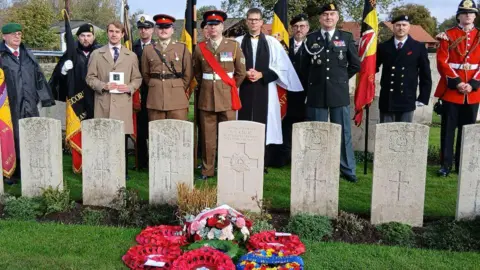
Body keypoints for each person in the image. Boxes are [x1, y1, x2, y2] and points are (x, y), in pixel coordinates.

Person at [235, 8, 303, 172]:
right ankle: (240, 159)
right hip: (242, 89)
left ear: (261, 22)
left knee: (263, 124)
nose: (253, 22)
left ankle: (261, 162)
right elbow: (230, 66)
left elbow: (282, 68)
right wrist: (244, 74)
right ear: (246, 21)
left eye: (256, 19)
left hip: (265, 89)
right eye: (250, 19)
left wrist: (261, 74)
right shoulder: (236, 42)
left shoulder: (272, 43)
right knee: (241, 123)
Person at [303, 3, 360, 182]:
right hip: (316, 93)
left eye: (332, 14)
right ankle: (317, 167)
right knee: (317, 132)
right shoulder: (310, 39)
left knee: (344, 133)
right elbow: (304, 67)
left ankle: (348, 169)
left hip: (338, 93)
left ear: (337, 17)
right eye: (325, 14)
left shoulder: (346, 37)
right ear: (319, 18)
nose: (328, 17)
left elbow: (355, 64)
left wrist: (340, 80)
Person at [193, 10, 246, 180]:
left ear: (222, 26)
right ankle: (207, 170)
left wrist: (229, 87)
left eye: (216, 25)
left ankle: (229, 169)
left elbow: (241, 72)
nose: (213, 28)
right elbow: (197, 74)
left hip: (227, 97)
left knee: (229, 135)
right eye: (210, 25)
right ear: (207, 28)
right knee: (208, 137)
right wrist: (207, 87)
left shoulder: (233, 46)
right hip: (206, 97)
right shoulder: (200, 47)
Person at [86, 21, 142, 179]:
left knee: (121, 139)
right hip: (104, 102)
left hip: (123, 103)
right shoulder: (97, 54)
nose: (114, 34)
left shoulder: (131, 56)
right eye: (111, 31)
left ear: (123, 34)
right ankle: (103, 169)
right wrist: (103, 85)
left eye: (117, 31)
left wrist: (130, 87)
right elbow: (90, 78)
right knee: (103, 139)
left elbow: (137, 78)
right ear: (107, 33)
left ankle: (122, 171)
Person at [0, 22, 55, 184]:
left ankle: (33, 167)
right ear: (4, 37)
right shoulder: (2, 57)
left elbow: (38, 76)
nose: (17, 36)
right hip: (9, 105)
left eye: (19, 34)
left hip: (30, 102)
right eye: (13, 34)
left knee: (31, 134)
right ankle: (12, 171)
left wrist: (44, 98)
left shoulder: (27, 54)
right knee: (13, 135)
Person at [434, 0, 480, 177]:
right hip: (452, 91)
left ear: (475, 16)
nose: (468, 15)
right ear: (458, 15)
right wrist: (458, 82)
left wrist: (473, 84)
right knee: (448, 130)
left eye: (471, 12)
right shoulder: (448, 35)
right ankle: (445, 165)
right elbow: (441, 61)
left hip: (473, 92)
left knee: (467, 131)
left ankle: (462, 164)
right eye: (464, 12)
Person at [376, 15, 432, 123]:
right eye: (398, 25)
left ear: (409, 27)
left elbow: (425, 74)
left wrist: (423, 97)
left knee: (405, 136)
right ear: (393, 27)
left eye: (404, 25)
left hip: (407, 98)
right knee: (386, 135)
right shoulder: (383, 47)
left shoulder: (418, 47)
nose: (401, 28)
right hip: (387, 99)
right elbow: (373, 67)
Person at [141, 14, 193, 121]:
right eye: (160, 27)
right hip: (156, 98)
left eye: (167, 27)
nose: (163, 30)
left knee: (178, 131)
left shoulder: (182, 48)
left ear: (172, 30)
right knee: (157, 132)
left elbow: (188, 73)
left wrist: (178, 86)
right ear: (155, 30)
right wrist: (155, 85)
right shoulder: (148, 49)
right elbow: (145, 74)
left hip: (177, 98)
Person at [277, 13, 310, 166]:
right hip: (286, 93)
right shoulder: (283, 45)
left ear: (307, 28)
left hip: (306, 93)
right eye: (295, 26)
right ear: (291, 29)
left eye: (302, 26)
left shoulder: (313, 46)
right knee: (285, 124)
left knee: (303, 125)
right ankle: (283, 157)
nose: (299, 29)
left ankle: (301, 158)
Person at [49, 23, 101, 120]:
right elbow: (56, 80)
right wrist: (63, 71)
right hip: (75, 100)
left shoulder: (100, 52)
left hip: (95, 100)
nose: (86, 39)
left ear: (94, 37)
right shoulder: (70, 54)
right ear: (78, 37)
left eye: (89, 36)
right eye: (83, 36)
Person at [132, 14, 155, 170]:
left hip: (152, 91)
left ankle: (155, 157)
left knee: (153, 125)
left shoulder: (158, 47)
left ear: (152, 30)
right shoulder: (130, 47)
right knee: (139, 127)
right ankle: (141, 162)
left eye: (146, 28)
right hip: (136, 91)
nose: (143, 31)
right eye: (141, 28)